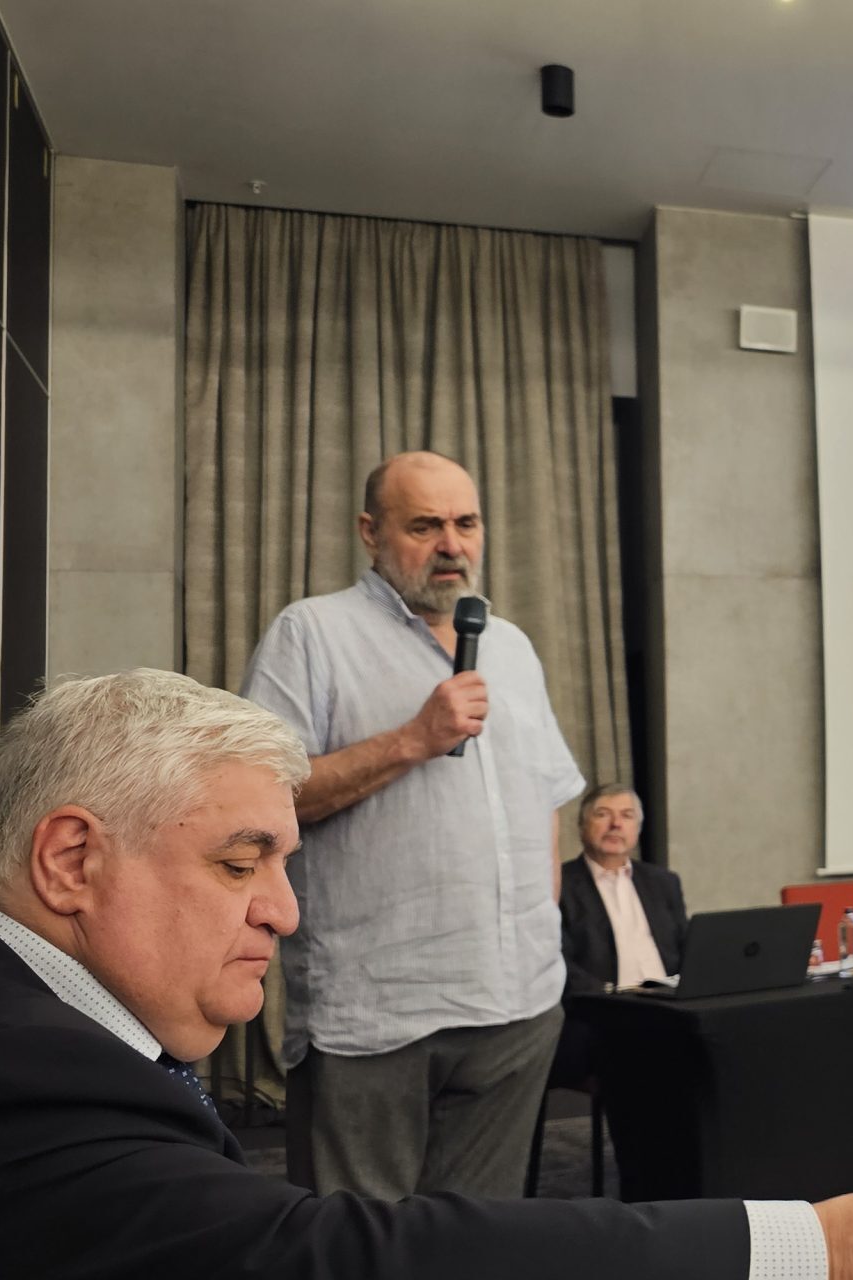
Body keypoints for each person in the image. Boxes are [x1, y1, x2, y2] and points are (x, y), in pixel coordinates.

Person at [0, 669, 853, 1279]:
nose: (283, 909)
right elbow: (324, 1256)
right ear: (73, 859)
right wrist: (825, 1244)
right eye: (241, 861)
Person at [240, 450, 582, 1199]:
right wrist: (412, 740)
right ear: (371, 531)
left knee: (479, 1242)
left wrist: (541, 933)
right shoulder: (313, 634)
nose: (452, 545)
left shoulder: (511, 646)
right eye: (425, 526)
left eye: (466, 523)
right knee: (358, 1244)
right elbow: (259, 800)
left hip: (517, 1008)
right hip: (376, 1012)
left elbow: (544, 803)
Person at [559, 781, 687, 994]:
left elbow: (687, 949)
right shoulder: (560, 884)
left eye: (627, 816)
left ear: (637, 829)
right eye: (602, 814)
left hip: (670, 1001)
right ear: (582, 826)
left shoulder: (663, 882)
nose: (616, 824)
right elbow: (557, 962)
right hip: (606, 1004)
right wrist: (609, 994)